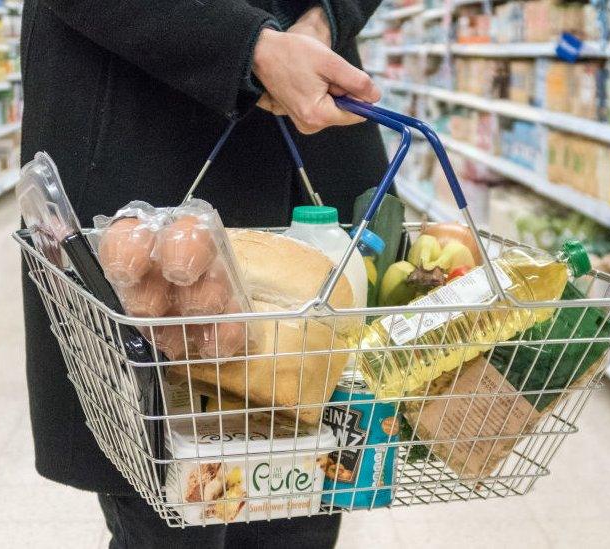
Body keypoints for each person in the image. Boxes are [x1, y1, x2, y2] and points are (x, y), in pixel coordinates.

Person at [20, 1, 386, 547]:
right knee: (168, 508)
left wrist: (324, 17)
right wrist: (249, 46)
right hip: (143, 124)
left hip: (310, 142)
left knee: (304, 504)